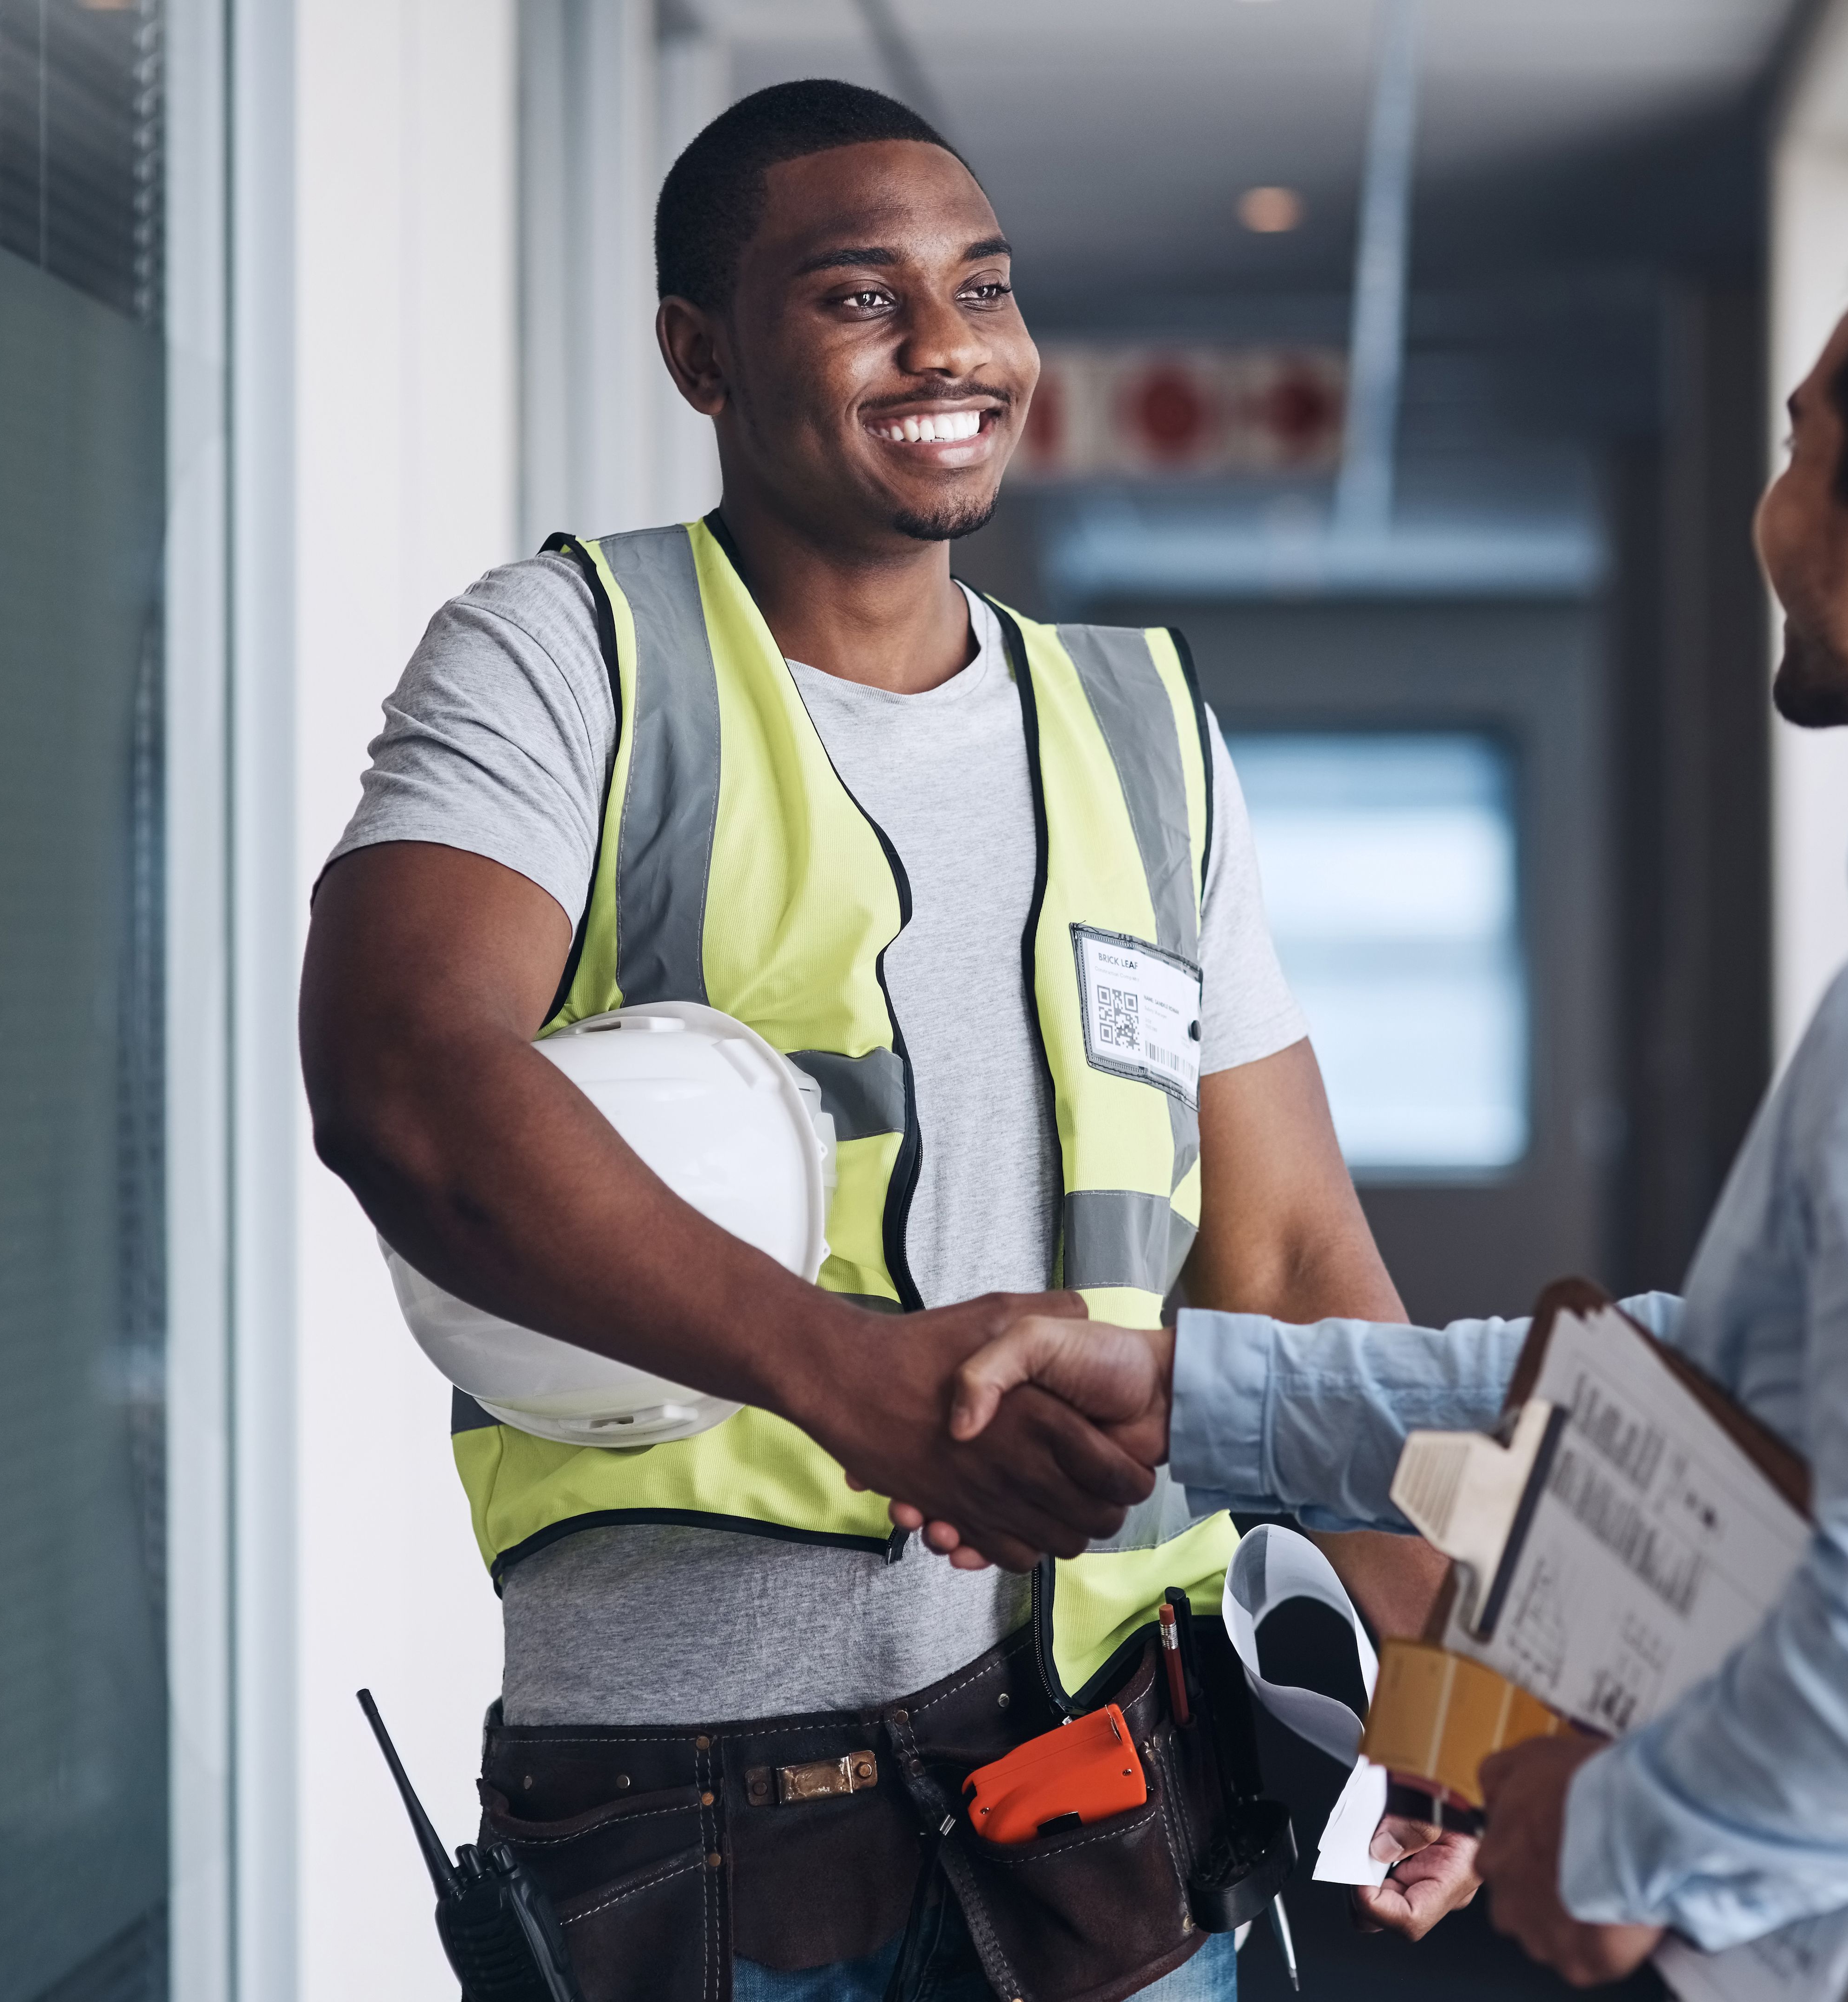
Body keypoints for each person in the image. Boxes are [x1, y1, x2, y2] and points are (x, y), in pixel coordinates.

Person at [905, 193, 1848, 2002]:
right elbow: (1723, 1394)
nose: (1771, 510)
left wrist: (1618, 1829)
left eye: (1799, 445)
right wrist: (1191, 1393)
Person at [300, 78, 1471, 2002]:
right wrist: (850, 1380)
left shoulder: (1141, 723)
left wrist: (1442, 1686)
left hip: (1116, 1807)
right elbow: (404, 1078)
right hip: (701, 1835)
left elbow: (1287, 1255)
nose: (948, 347)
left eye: (981, 288)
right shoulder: (566, 655)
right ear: (701, 355)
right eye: (858, 297)